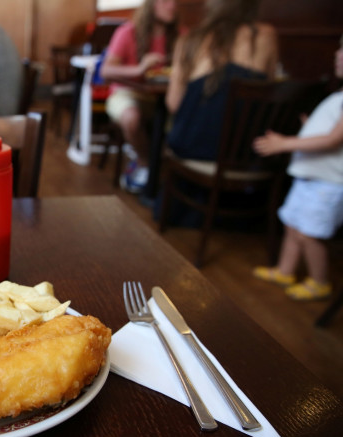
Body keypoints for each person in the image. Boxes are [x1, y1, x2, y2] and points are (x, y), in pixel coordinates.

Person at [251, 44, 343, 301]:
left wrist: (285, 143)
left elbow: (333, 140)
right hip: (310, 178)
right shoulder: (338, 95)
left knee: (310, 234)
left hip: (328, 183)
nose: (337, 54)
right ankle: (285, 270)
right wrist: (309, 127)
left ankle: (319, 281)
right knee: (292, 225)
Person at [165, 0, 278, 162]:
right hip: (246, 154)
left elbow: (174, 104)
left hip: (192, 149)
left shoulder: (189, 40)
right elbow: (269, 93)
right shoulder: (266, 35)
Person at [99, 0, 178, 193]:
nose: (173, 5)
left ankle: (162, 173)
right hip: (126, 92)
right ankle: (146, 165)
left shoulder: (180, 35)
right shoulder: (127, 32)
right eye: (166, 1)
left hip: (164, 97)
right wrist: (140, 68)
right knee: (131, 118)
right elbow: (105, 71)